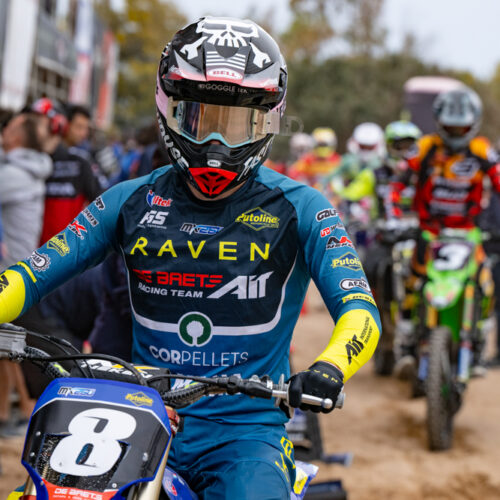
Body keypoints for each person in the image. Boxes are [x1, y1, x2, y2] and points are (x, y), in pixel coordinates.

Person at [0, 17, 380, 499]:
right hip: (138, 418)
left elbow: (360, 311)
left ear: (269, 121)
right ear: (168, 110)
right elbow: (31, 274)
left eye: (238, 124)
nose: (216, 145)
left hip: (246, 435)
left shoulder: (303, 208)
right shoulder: (128, 200)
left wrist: (330, 368)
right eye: (198, 119)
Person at [389, 87, 500, 378]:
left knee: (485, 284)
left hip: (469, 233)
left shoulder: (482, 150)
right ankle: (406, 343)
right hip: (429, 233)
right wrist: (394, 216)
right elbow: (397, 182)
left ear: (473, 124)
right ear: (439, 123)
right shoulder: (424, 147)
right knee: (411, 279)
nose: (455, 132)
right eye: (450, 127)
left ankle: (478, 344)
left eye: (461, 127)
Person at [0, 110, 52, 436]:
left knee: (8, 349)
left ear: (18, 138)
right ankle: (10, 413)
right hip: (21, 271)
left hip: (9, 274)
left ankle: (19, 412)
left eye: (9, 128)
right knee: (6, 349)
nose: (4, 130)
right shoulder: (28, 170)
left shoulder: (14, 175)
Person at [30, 98, 107, 245]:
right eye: (79, 127)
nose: (83, 133)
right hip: (32, 246)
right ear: (65, 124)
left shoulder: (82, 160)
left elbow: (102, 200)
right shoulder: (36, 157)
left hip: (66, 249)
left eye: (86, 128)